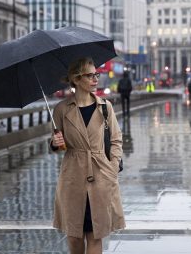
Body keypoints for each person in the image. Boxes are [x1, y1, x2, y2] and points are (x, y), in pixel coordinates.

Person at [50, 57, 125, 254]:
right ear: (76, 79)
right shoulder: (61, 109)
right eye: (90, 75)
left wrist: (113, 166)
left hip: (101, 174)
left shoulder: (104, 107)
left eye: (96, 74)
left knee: (95, 234)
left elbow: (116, 140)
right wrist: (55, 143)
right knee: (74, 236)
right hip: (72, 176)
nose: (95, 79)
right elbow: (58, 143)